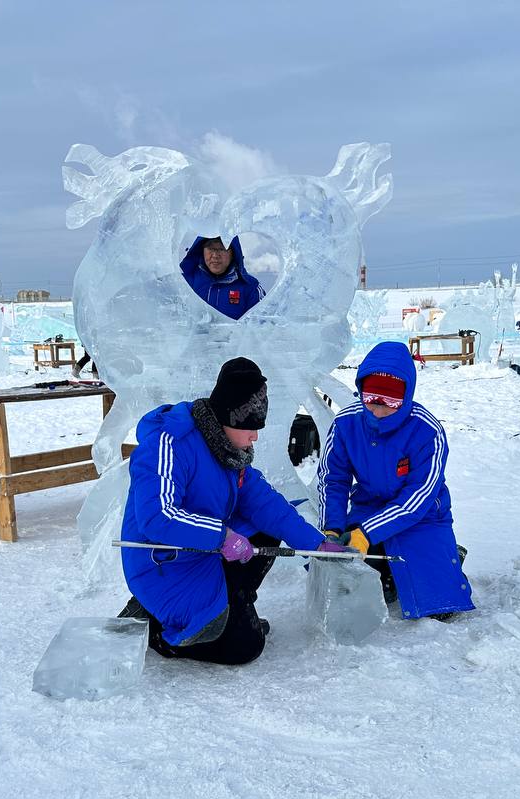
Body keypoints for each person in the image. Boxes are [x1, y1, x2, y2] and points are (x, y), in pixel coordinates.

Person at [119, 357, 349, 665]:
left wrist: (316, 543)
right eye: (251, 427)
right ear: (229, 418)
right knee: (245, 647)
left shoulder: (229, 451)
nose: (255, 436)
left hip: (200, 554)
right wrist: (222, 535)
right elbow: (157, 517)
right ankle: (157, 630)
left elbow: (267, 504)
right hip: (162, 564)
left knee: (267, 529)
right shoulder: (168, 445)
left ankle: (235, 610)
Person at [317, 341, 474, 620]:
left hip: (422, 517)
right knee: (352, 584)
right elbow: (334, 481)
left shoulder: (427, 430)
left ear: (406, 396)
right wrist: (332, 528)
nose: (377, 410)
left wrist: (367, 534)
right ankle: (396, 568)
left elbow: (418, 499)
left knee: (439, 606)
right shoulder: (346, 424)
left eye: (389, 402)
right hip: (368, 510)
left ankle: (445, 556)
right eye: (370, 400)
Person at [180, 236, 265, 320]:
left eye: (222, 248)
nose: (215, 255)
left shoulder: (251, 287)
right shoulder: (184, 282)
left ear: (233, 253)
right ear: (202, 250)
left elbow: (262, 327)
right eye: (210, 248)